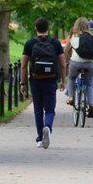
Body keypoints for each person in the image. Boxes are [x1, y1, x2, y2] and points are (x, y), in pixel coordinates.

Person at [20, 18, 66, 149]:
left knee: (38, 110)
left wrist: (22, 83)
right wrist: (63, 80)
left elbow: (23, 65)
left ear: (36, 28)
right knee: (50, 109)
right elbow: (62, 64)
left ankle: (40, 139)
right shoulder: (55, 43)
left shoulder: (30, 43)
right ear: (48, 28)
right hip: (51, 80)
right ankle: (48, 127)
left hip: (35, 80)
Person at [64, 17, 93, 118]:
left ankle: (71, 97)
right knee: (90, 85)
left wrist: (66, 61)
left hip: (76, 63)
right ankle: (91, 106)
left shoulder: (74, 38)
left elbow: (66, 51)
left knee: (71, 78)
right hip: (91, 64)